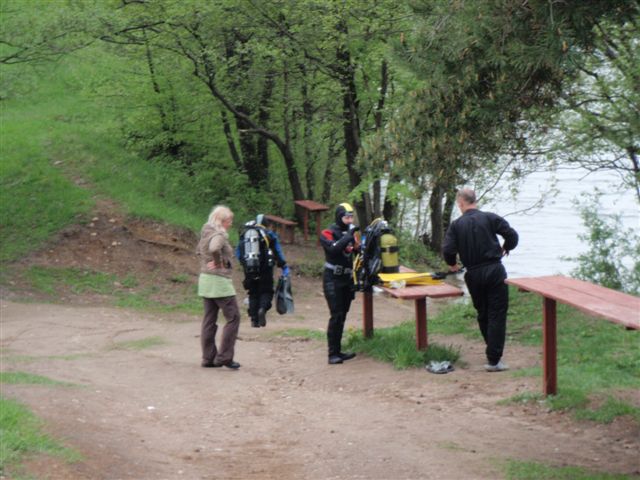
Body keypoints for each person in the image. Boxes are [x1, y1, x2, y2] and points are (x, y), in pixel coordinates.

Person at [442, 188, 519, 372]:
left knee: (483, 313)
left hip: (473, 274)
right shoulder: (490, 218)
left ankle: (492, 353)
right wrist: (507, 247)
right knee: (497, 314)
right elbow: (512, 235)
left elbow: (448, 249)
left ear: (461, 203)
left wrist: (452, 264)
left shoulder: (456, 225)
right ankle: (494, 359)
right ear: (474, 200)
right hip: (494, 270)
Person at [196, 205, 241, 369]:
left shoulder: (205, 233)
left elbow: (199, 251)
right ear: (222, 221)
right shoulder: (219, 234)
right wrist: (218, 262)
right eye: (229, 221)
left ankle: (208, 358)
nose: (231, 224)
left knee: (209, 319)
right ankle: (224, 357)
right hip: (219, 282)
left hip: (205, 281)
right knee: (233, 317)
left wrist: (209, 263)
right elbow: (215, 248)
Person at [320, 203, 360, 365]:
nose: (349, 220)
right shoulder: (327, 232)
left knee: (342, 315)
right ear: (339, 217)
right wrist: (348, 236)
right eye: (346, 217)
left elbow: (358, 251)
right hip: (332, 279)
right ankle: (332, 354)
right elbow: (334, 249)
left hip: (347, 278)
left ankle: (338, 350)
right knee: (336, 315)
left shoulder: (350, 234)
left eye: (351, 217)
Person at [236, 214, 289, 328]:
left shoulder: (245, 234)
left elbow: (238, 253)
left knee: (253, 292)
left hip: (249, 268)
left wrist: (245, 265)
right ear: (267, 224)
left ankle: (254, 320)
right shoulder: (269, 235)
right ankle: (262, 309)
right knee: (266, 291)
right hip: (265, 268)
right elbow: (277, 251)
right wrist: (283, 265)